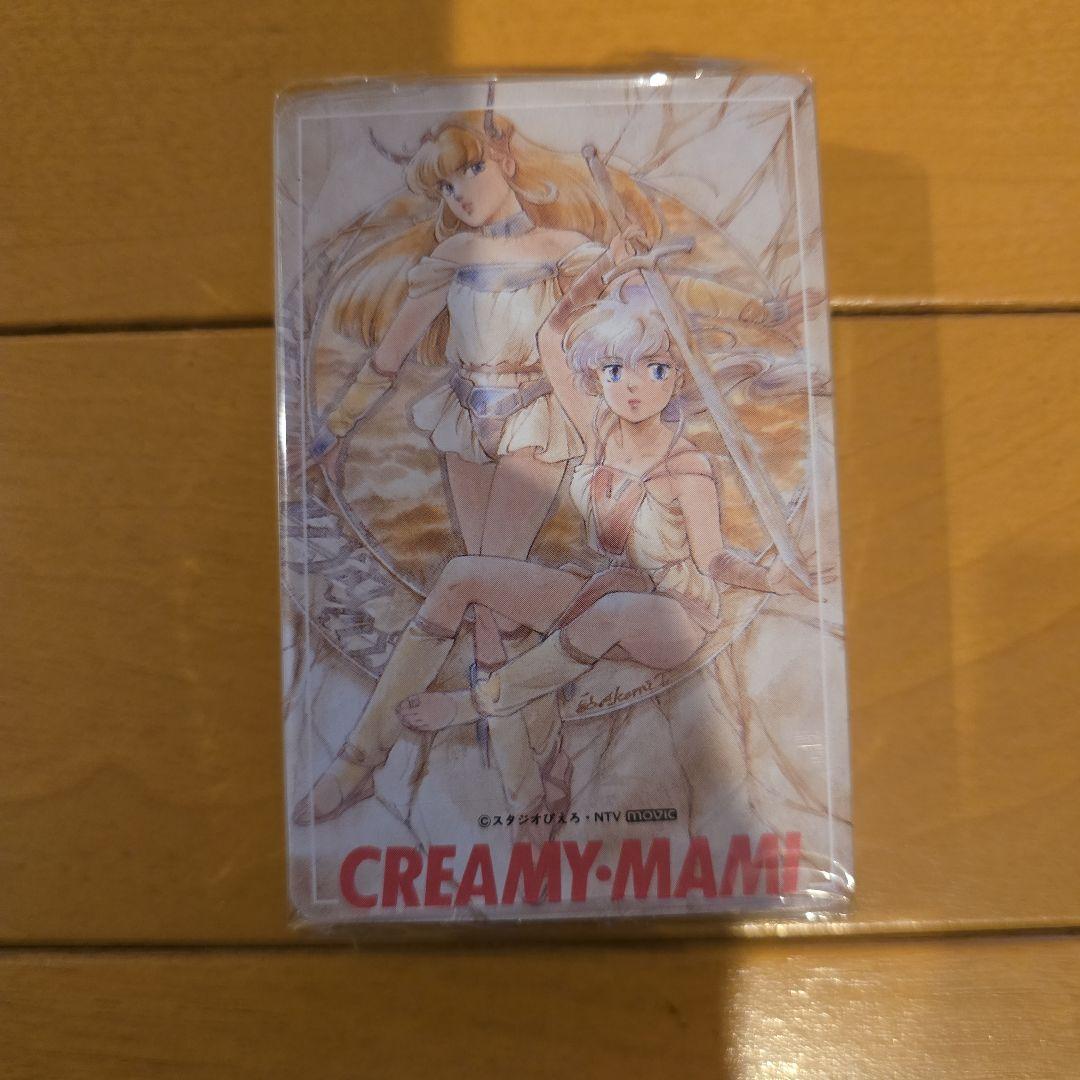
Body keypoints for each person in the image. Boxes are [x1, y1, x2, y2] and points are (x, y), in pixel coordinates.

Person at [293, 238, 816, 827]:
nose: (633, 387)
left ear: (676, 377)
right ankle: (360, 760)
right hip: (599, 593)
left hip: (671, 616)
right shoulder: (597, 430)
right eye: (614, 370)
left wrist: (769, 576)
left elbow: (715, 561)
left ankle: (471, 705)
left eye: (655, 369)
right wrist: (607, 266)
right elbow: (551, 336)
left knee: (613, 610)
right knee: (463, 577)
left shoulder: (688, 468)